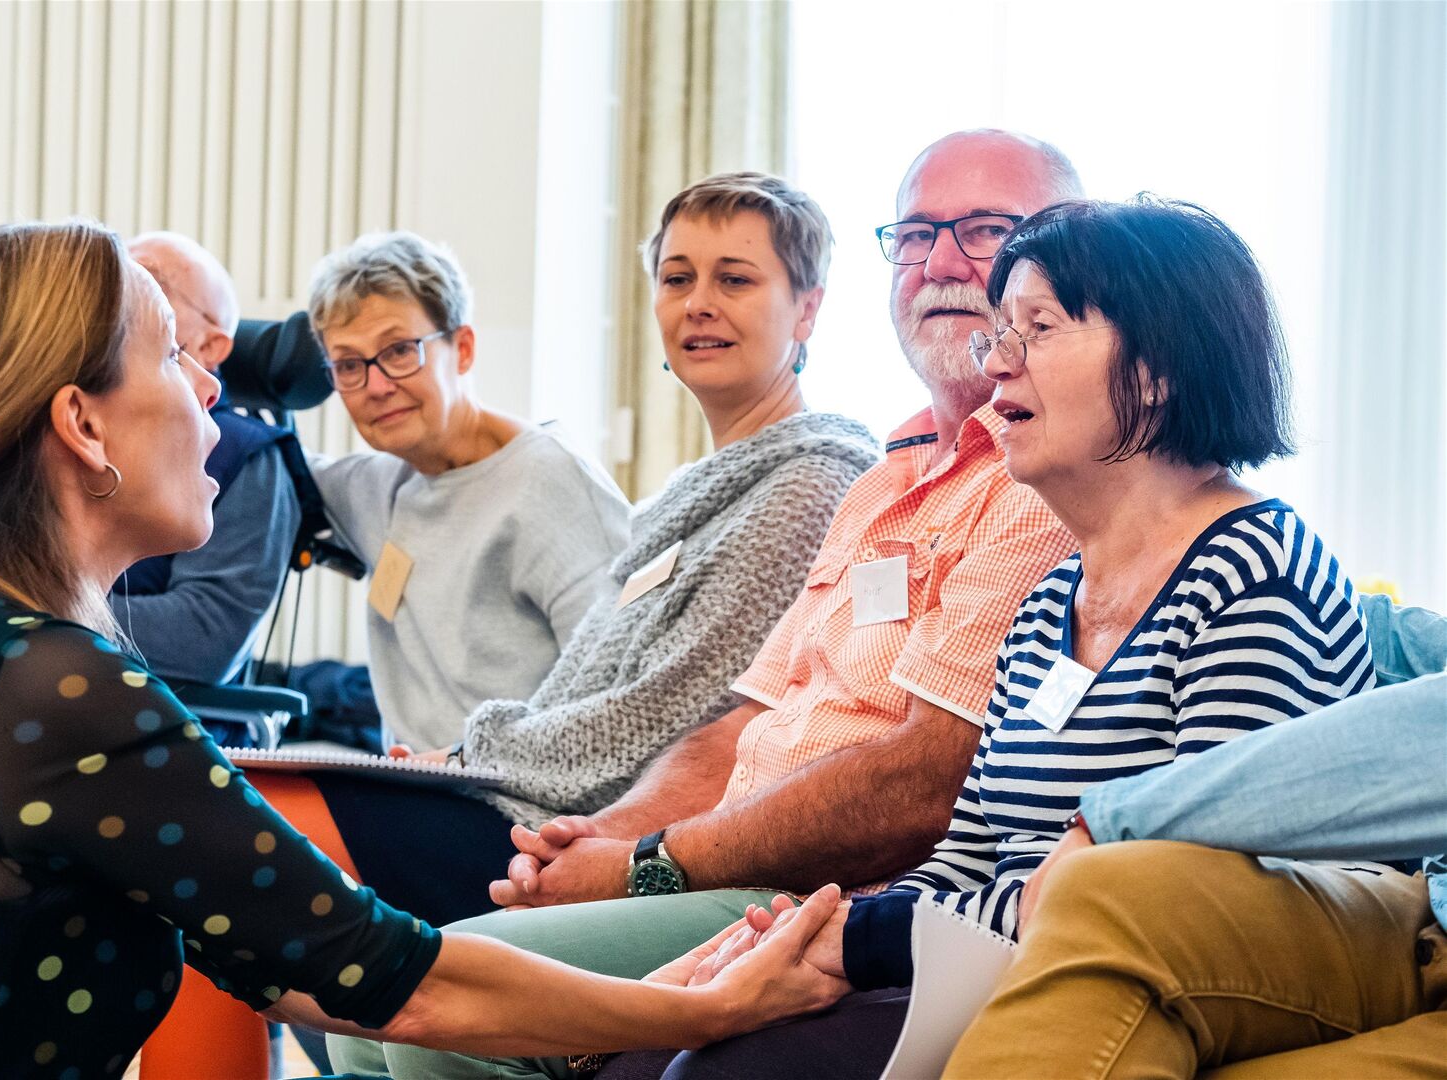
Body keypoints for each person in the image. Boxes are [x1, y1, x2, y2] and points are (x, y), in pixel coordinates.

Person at [0, 221, 860, 1080]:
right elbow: (392, 978)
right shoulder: (51, 687)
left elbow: (314, 968)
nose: (215, 402)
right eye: (179, 364)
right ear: (84, 429)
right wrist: (704, 1007)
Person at [360, 128, 1082, 1080]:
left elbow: (923, 780)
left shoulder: (1040, 475)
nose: (942, 263)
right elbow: (744, 719)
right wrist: (616, 833)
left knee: (428, 1024)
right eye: (915, 235)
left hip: (829, 893)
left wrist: (644, 858)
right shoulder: (887, 479)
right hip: (708, 856)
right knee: (361, 1018)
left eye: (985, 230)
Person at [631, 197, 1389, 1080]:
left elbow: (1184, 892)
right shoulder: (1058, 592)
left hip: (1148, 981)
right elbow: (975, 843)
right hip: (999, 960)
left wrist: (860, 941)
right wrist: (818, 936)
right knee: (668, 1045)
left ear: (1156, 370)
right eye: (1002, 332)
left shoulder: (1255, 569)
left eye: (1038, 329)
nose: (997, 364)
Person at [409, 172, 880, 833]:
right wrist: (457, 763)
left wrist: (473, 755)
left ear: (807, 310)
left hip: (586, 840)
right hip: (524, 806)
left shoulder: (807, 489)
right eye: (677, 279)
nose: (698, 304)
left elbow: (668, 715)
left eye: (735, 280)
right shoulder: (685, 497)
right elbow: (586, 694)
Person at [943, 593, 1446, 1079]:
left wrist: (1120, 814)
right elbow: (1401, 649)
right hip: (1427, 912)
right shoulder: (1051, 603)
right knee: (1114, 892)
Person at [305, 231, 631, 757]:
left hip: (525, 803)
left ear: (463, 349)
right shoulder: (378, 484)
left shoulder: (550, 483)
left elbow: (618, 697)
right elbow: (271, 462)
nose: (377, 384)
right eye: (348, 364)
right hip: (418, 790)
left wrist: (465, 760)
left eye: (399, 351)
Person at [108, 232, 301, 688]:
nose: (126, 291)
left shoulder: (246, 458)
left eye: (151, 280)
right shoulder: (79, 424)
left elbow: (202, 639)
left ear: (213, 348)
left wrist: (25, 606)